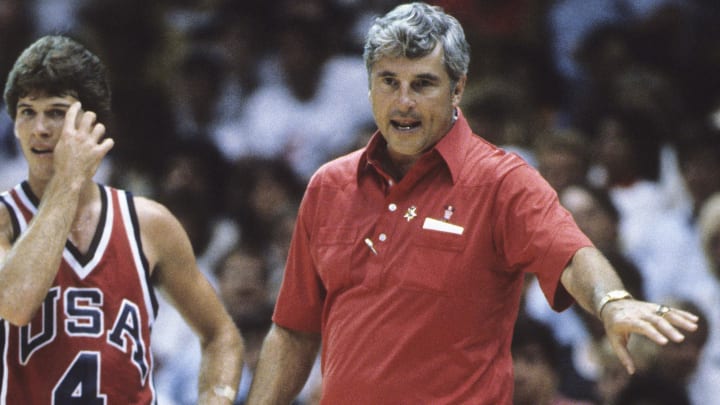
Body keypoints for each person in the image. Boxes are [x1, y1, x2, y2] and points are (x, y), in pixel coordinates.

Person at [246, 3, 698, 404]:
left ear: (457, 88)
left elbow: (571, 255)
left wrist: (611, 301)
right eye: (389, 82)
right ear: (369, 87)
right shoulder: (330, 185)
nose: (403, 102)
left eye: (423, 84)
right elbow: (293, 331)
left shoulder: (503, 182)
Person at [0, 35, 243, 404]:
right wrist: (66, 180)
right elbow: (16, 302)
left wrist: (218, 396)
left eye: (56, 111)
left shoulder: (149, 224)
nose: (40, 129)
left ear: (93, 122)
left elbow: (222, 336)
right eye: (27, 111)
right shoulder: (5, 218)